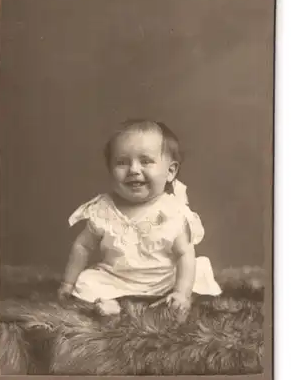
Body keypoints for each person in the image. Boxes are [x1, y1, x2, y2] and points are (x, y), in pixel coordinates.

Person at [58, 119, 221, 316]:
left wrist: (181, 292)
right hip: (116, 279)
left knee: (197, 273)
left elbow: (185, 253)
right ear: (110, 169)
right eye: (122, 162)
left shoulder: (173, 211)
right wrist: (68, 283)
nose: (134, 170)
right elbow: (83, 246)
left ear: (170, 171)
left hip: (163, 279)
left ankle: (169, 301)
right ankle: (114, 306)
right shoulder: (103, 209)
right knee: (87, 283)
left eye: (145, 161)